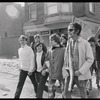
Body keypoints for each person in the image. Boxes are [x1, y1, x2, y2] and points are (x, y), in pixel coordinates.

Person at [62, 22, 94, 98]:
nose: (68, 32)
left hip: (80, 74)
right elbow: (66, 57)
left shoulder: (85, 43)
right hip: (69, 73)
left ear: (77, 31)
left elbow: (90, 59)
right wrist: (65, 68)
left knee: (83, 95)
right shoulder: (68, 42)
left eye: (70, 30)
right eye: (68, 30)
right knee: (66, 93)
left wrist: (80, 71)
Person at [41, 33, 65, 98]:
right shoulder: (49, 50)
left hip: (61, 74)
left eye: (51, 40)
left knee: (64, 91)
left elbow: (67, 62)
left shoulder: (64, 50)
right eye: (50, 40)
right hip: (51, 73)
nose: (50, 41)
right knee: (50, 92)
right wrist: (44, 69)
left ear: (56, 41)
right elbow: (46, 60)